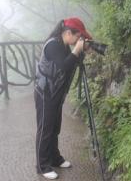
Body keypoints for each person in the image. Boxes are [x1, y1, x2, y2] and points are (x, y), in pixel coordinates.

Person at [34, 17, 92, 180]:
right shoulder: (53, 45)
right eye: (78, 36)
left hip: (56, 92)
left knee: (54, 128)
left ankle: (54, 158)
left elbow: (73, 63)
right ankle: (42, 165)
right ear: (68, 33)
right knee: (45, 128)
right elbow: (63, 67)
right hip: (45, 93)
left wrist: (82, 50)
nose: (78, 40)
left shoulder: (64, 45)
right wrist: (76, 50)